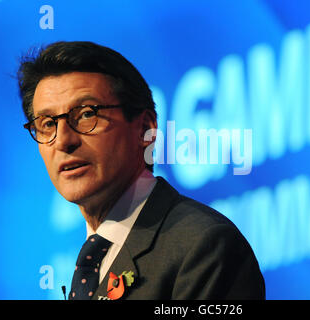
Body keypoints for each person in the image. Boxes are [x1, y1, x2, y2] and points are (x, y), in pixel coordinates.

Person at [17, 41, 265, 300]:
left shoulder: (202, 247)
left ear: (146, 128)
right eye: (46, 123)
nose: (64, 140)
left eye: (86, 114)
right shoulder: (92, 261)